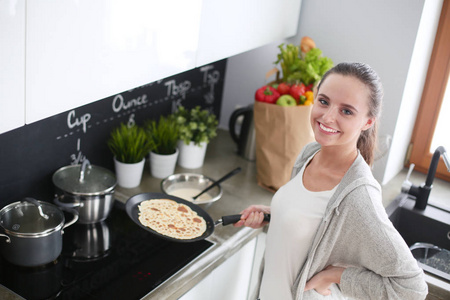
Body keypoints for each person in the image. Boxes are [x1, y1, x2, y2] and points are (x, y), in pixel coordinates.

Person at [235, 62, 428, 299]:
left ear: (368, 122)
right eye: (324, 101)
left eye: (346, 111)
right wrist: (273, 214)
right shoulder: (309, 154)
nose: (327, 117)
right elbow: (316, 227)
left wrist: (336, 275)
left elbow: (412, 288)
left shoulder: (358, 196)